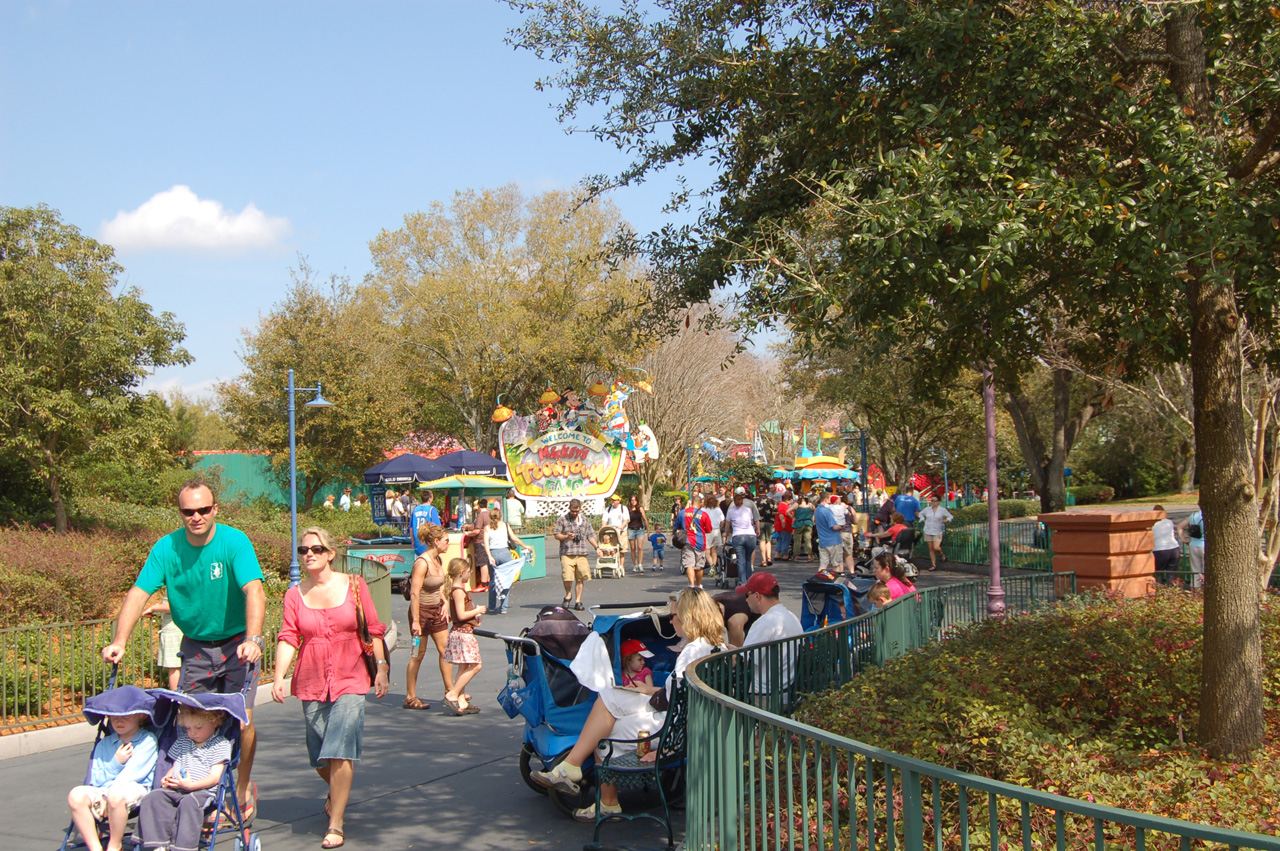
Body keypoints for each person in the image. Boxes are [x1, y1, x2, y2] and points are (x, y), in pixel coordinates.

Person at [102, 478, 264, 820]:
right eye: (189, 511)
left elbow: (254, 591)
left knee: (241, 720)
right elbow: (138, 593)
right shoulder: (167, 548)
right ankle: (194, 793)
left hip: (237, 644)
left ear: (215, 509)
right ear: (180, 513)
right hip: (196, 648)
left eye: (204, 509)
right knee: (189, 722)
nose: (197, 517)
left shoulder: (234, 542)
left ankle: (242, 786)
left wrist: (254, 638)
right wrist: (119, 640)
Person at [533, 588, 726, 822]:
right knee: (609, 697)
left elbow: (679, 703)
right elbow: (682, 696)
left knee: (603, 736)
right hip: (682, 717)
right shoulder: (714, 647)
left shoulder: (691, 652)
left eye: (674, 615)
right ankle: (577, 774)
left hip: (671, 727)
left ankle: (601, 797)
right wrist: (648, 690)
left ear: (689, 617)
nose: (670, 620)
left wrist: (665, 747)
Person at [271, 526, 388, 849]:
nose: (309, 554)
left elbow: (373, 629)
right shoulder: (295, 595)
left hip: (351, 677)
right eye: (304, 550)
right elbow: (288, 637)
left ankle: (336, 822)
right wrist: (279, 676)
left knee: (340, 750)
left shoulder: (354, 585)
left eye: (316, 549)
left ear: (331, 554)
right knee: (321, 756)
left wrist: (381, 668)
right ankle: (336, 791)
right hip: (310, 679)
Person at [135, 706, 231, 851]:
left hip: (202, 791)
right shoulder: (183, 741)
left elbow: (215, 777)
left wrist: (191, 786)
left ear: (215, 722)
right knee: (153, 797)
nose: (193, 732)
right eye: (188, 728)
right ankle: (158, 844)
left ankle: (183, 847)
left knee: (189, 802)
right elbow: (175, 765)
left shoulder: (220, 744)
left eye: (198, 727)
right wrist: (168, 777)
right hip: (178, 787)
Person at [67, 704, 159, 851]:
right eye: (114, 717)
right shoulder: (105, 744)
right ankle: (95, 847)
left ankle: (115, 846)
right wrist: (116, 762)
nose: (119, 721)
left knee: (115, 795)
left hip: (134, 788)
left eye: (126, 717)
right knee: (76, 795)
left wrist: (107, 795)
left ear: (139, 716)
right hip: (104, 790)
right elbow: (96, 778)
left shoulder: (147, 740)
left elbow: (132, 775)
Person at [405, 522, 452, 710]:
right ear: (436, 541)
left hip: (436, 610)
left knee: (445, 650)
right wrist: (416, 621)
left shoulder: (439, 560)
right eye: (446, 541)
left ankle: (451, 691)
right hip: (421, 611)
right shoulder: (422, 563)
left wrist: (445, 601)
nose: (448, 544)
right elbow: (415, 593)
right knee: (418, 653)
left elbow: (439, 586)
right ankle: (410, 697)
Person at [737, 571, 804, 700]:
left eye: (746, 595)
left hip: (763, 695)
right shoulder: (791, 616)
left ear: (757, 596)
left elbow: (744, 661)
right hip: (786, 691)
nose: (745, 600)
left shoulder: (764, 623)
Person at [442, 558, 485, 715]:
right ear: (462, 573)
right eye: (468, 571)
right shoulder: (458, 591)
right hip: (462, 634)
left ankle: (461, 700)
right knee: (476, 665)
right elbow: (461, 615)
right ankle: (453, 693)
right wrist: (477, 610)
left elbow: (471, 619)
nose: (471, 573)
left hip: (462, 632)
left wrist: (477, 614)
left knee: (463, 665)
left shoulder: (456, 590)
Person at [482, 503, 534, 614]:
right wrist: (525, 546)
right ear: (500, 516)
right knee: (505, 580)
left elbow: (486, 544)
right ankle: (503, 607)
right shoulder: (505, 525)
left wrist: (490, 556)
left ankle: (491, 606)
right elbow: (514, 538)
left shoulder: (487, 528)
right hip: (505, 553)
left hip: (494, 554)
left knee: (493, 581)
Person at [554, 499, 601, 611]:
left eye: (576, 511)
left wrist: (597, 547)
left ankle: (578, 601)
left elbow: (590, 535)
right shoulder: (563, 519)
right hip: (567, 552)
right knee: (567, 577)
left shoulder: (584, 520)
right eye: (572, 511)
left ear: (580, 508)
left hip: (581, 553)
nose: (574, 513)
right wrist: (566, 537)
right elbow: (556, 535)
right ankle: (568, 594)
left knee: (580, 578)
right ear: (569, 508)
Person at [725, 486, 761, 583]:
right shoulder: (748, 508)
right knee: (748, 559)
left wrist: (726, 534)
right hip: (750, 535)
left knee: (741, 560)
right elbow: (754, 519)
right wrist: (758, 529)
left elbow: (728, 524)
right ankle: (749, 580)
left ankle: (742, 582)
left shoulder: (731, 509)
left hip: (738, 535)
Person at [681, 493, 715, 588]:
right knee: (699, 566)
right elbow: (709, 529)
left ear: (691, 502)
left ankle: (691, 585)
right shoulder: (703, 514)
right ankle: (699, 585)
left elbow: (677, 525)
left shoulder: (683, 512)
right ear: (700, 504)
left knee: (689, 564)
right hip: (700, 542)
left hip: (687, 541)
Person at [920, 496, 955, 571]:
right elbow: (921, 514)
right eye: (932, 500)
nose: (933, 502)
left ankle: (942, 553)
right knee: (931, 549)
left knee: (936, 547)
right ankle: (933, 565)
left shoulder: (942, 510)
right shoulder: (927, 509)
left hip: (937, 530)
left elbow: (950, 516)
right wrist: (923, 520)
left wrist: (946, 520)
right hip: (928, 530)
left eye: (935, 501)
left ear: (938, 501)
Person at [813, 495, 846, 573]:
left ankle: (820, 579)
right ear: (826, 499)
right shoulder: (827, 511)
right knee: (836, 564)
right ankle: (836, 581)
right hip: (833, 540)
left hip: (822, 540)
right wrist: (842, 526)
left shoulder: (817, 510)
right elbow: (834, 527)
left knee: (823, 564)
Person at [408, 489, 442, 559]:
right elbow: (437, 528)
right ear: (430, 499)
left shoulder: (415, 509)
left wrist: (413, 541)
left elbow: (411, 527)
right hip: (429, 544)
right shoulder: (432, 509)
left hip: (418, 542)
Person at [1176, 507, 1205, 587]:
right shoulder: (1209, 515)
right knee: (1206, 571)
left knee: (1195, 572)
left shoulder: (1193, 516)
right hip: (1205, 546)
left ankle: (1195, 592)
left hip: (1193, 545)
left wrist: (1184, 540)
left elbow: (1180, 526)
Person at [1152, 505, 1180, 583]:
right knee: (1171, 574)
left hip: (1160, 550)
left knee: (1158, 573)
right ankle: (1172, 591)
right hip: (1174, 548)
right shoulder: (1169, 522)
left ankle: (1159, 591)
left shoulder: (1153, 524)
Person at [624, 494, 649, 575]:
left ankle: (640, 564)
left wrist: (648, 530)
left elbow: (645, 519)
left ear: (637, 501)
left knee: (640, 547)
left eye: (634, 500)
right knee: (633, 548)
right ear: (630, 501)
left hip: (640, 530)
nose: (633, 501)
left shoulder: (640, 509)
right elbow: (625, 521)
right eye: (632, 500)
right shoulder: (628, 510)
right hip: (631, 530)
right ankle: (635, 565)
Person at [703, 491, 726, 574]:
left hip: (707, 531)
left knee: (707, 551)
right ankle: (714, 565)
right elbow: (723, 521)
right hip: (716, 531)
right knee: (714, 550)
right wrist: (721, 528)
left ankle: (711, 564)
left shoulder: (703, 510)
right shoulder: (718, 510)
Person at [791, 496, 815, 563]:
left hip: (798, 524)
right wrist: (812, 519)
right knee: (807, 540)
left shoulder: (796, 505)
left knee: (797, 541)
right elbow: (815, 511)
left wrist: (793, 518)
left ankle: (796, 557)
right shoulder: (810, 505)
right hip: (808, 523)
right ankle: (809, 556)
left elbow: (788, 511)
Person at [757, 491, 776, 568]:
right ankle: (769, 558)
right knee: (768, 540)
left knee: (762, 540)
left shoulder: (756, 500)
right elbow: (776, 511)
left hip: (760, 522)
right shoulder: (770, 500)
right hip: (769, 522)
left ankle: (763, 561)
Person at [775, 492, 794, 562]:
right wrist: (783, 522)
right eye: (791, 500)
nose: (791, 501)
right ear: (787, 500)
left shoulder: (780, 505)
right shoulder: (784, 506)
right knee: (785, 540)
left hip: (779, 526)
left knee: (780, 539)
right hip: (785, 526)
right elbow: (781, 514)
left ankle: (777, 553)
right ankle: (785, 554)